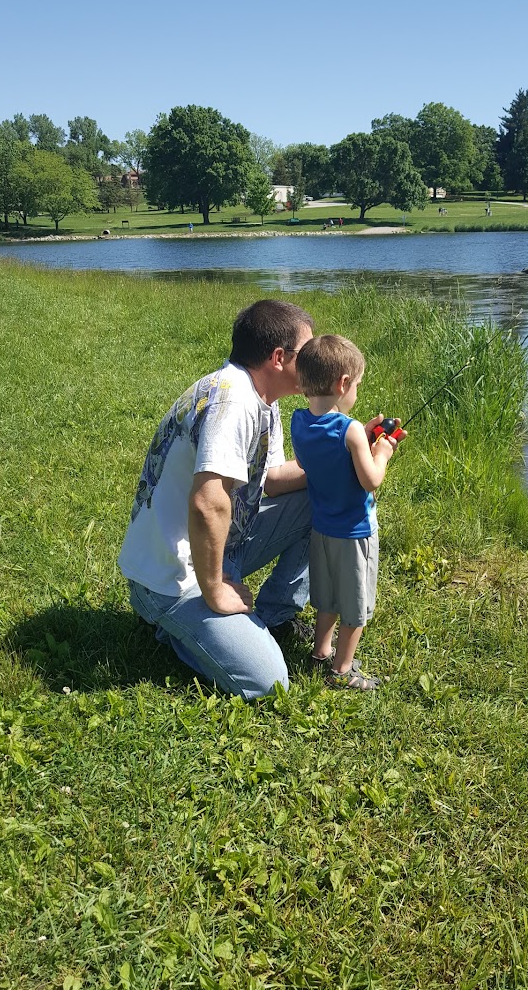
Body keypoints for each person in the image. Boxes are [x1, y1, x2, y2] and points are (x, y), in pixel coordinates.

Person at [118, 299, 316, 701]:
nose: (317, 362)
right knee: (269, 683)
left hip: (216, 547)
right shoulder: (234, 401)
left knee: (322, 497)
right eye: (307, 354)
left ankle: (275, 616)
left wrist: (344, 459)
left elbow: (274, 480)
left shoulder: (261, 398)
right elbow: (208, 503)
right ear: (279, 358)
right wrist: (214, 590)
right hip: (171, 577)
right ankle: (171, 625)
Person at [291, 335, 404, 691]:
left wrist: (362, 441)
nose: (355, 391)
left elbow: (329, 459)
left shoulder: (298, 421)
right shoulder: (351, 429)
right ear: (342, 384)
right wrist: (381, 452)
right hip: (355, 534)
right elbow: (370, 481)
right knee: (355, 606)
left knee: (327, 597)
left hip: (321, 530)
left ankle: (320, 650)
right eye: (356, 384)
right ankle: (342, 671)